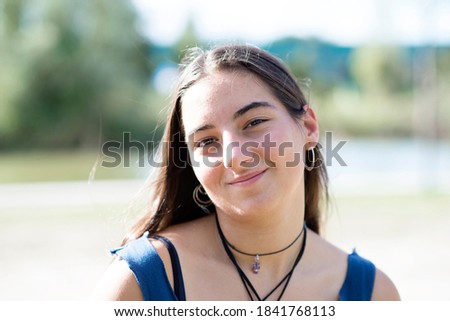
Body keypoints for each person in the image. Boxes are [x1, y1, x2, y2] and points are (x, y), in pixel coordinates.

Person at [91, 44, 400, 301]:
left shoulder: (372, 294)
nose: (235, 156)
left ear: (307, 127)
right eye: (207, 141)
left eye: (254, 123)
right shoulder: (141, 283)